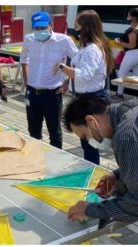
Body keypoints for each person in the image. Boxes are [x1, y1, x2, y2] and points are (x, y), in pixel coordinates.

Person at [64, 95, 138, 223]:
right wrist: (117, 175)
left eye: (85, 136)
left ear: (91, 121)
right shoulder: (130, 106)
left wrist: (88, 209)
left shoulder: (125, 137)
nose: (88, 141)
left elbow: (135, 206)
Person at [56, 10, 114, 164]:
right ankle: (92, 166)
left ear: (86, 27)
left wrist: (62, 67)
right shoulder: (89, 47)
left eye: (78, 23)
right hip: (88, 97)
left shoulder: (93, 49)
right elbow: (82, 72)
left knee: (89, 140)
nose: (75, 26)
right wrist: (68, 82)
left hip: (91, 99)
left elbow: (84, 75)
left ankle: (93, 168)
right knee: (88, 140)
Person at [20, 11, 78, 149]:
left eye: (42, 28)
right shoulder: (29, 39)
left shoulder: (64, 40)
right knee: (33, 132)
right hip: (33, 94)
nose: (39, 31)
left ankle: (55, 164)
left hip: (52, 94)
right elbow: (24, 59)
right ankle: (36, 161)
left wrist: (67, 83)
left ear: (51, 25)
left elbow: (78, 61)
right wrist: (27, 81)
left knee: (55, 133)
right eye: (36, 28)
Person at [113, 7, 138, 99]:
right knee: (137, 74)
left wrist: (119, 43)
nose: (127, 17)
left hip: (132, 54)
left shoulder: (133, 30)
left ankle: (119, 94)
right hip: (135, 54)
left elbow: (132, 45)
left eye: (129, 15)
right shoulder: (134, 27)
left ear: (134, 17)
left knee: (122, 73)